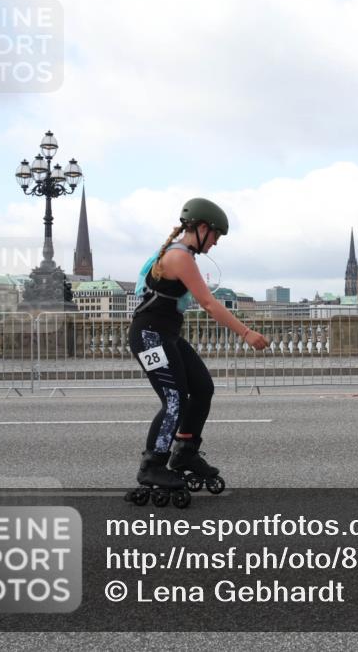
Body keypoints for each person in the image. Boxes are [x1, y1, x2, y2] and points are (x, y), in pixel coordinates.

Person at [127, 197, 269, 503]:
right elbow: (208, 303)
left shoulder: (182, 254)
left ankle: (184, 452)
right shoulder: (180, 258)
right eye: (216, 235)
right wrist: (246, 333)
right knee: (174, 400)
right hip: (149, 336)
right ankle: (152, 465)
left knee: (202, 388)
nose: (215, 243)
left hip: (167, 335)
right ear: (202, 228)